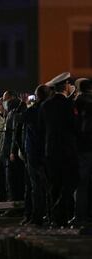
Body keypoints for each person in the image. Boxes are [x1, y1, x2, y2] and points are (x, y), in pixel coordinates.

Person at [40, 72, 78, 227]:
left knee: (54, 185)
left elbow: (41, 128)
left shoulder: (45, 105)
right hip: (67, 150)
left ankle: (54, 218)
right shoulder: (69, 104)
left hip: (50, 150)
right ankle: (62, 214)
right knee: (70, 183)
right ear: (66, 85)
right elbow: (74, 126)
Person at [21, 85, 51, 226]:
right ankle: (49, 215)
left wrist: (26, 104)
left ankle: (37, 216)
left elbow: (23, 119)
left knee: (35, 186)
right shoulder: (49, 110)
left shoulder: (32, 111)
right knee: (49, 186)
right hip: (47, 152)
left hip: (33, 153)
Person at [72, 78, 92, 225]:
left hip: (81, 148)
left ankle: (80, 216)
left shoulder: (77, 102)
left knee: (81, 184)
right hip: (87, 147)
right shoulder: (89, 101)